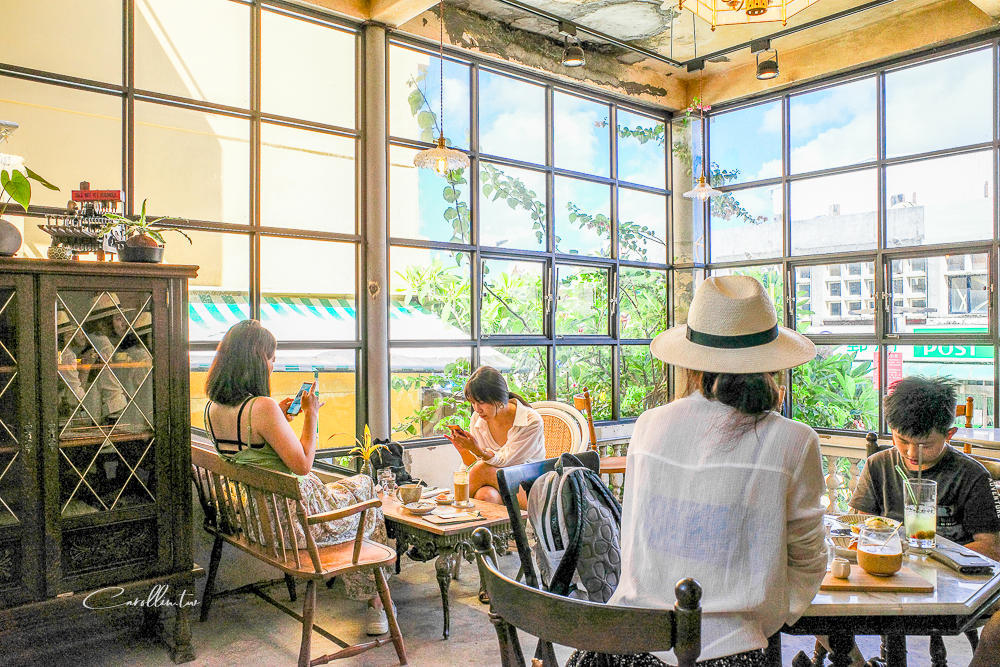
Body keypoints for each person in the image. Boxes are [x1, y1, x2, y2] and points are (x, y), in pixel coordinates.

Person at [572, 275, 827, 667]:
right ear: (771, 362)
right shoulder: (796, 440)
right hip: (730, 653)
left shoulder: (649, 425)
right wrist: (759, 616)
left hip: (622, 647)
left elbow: (635, 536)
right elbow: (807, 563)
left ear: (694, 361)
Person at [202, 319, 396, 636]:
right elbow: (304, 464)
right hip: (293, 527)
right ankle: (377, 601)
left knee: (356, 489)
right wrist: (311, 415)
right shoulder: (262, 408)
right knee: (366, 490)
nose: (272, 365)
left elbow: (256, 451)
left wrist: (280, 418)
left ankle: (372, 594)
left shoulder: (213, 409)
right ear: (255, 360)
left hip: (258, 522)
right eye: (271, 358)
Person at [850, 376, 1000, 561]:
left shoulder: (972, 476)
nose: (912, 453)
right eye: (903, 441)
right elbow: (863, 528)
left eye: (925, 445)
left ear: (949, 434)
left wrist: (928, 555)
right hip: (888, 565)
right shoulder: (878, 465)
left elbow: (991, 547)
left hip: (950, 571)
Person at [442, 366, 545, 504]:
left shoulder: (530, 421)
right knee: (485, 496)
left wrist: (478, 451)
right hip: (499, 486)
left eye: (481, 402)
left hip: (529, 491)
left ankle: (454, 507)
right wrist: (465, 450)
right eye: (473, 403)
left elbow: (504, 462)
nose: (477, 409)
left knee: (483, 469)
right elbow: (474, 465)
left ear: (499, 398)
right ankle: (461, 512)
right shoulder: (478, 419)